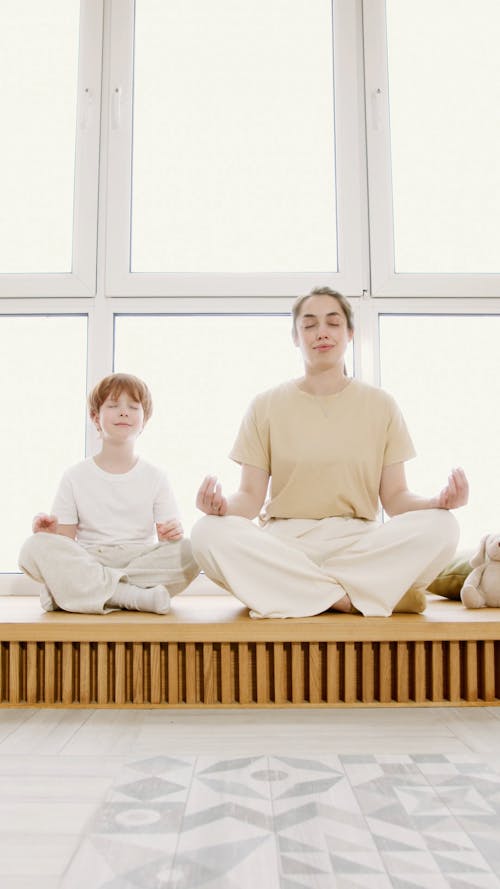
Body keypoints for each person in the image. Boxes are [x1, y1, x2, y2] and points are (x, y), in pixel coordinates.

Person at [191, 287, 468, 618]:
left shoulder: (381, 405)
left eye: (333, 323)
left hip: (357, 544)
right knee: (206, 532)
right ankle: (350, 597)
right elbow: (249, 499)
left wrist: (436, 503)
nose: (321, 332)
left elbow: (395, 498)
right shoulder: (265, 405)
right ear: (295, 337)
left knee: (443, 527)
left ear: (350, 333)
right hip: (286, 544)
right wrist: (220, 508)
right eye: (309, 325)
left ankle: (303, 594)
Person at [19, 373, 199, 614]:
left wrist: (173, 534)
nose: (124, 412)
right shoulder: (75, 476)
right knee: (34, 547)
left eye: (133, 407)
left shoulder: (156, 476)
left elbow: (169, 540)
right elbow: (64, 543)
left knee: (192, 550)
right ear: (95, 417)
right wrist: (48, 534)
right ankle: (130, 596)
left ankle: (78, 592)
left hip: (139, 559)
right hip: (91, 558)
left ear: (144, 420)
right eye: (113, 406)